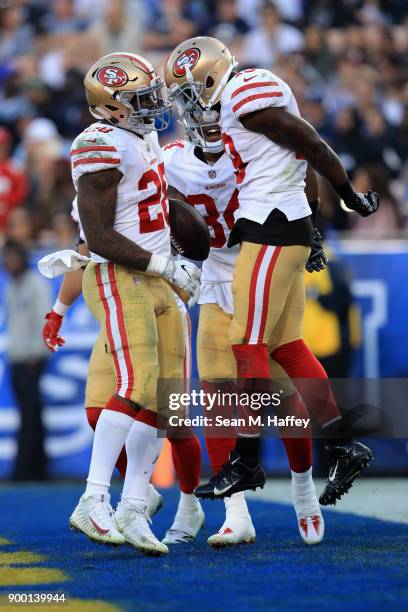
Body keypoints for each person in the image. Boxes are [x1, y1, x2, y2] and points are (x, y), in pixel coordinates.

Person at [164, 36, 378, 505]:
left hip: (272, 224)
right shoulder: (233, 107)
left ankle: (246, 459)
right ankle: (343, 444)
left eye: (189, 92)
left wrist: (348, 195)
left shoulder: (244, 95)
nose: (189, 107)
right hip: (277, 223)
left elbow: (311, 146)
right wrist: (316, 221)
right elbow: (298, 159)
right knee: (287, 345)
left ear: (210, 78)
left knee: (247, 343)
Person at [66, 51, 201, 555]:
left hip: (157, 276)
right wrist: (164, 265)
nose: (152, 105)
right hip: (122, 273)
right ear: (111, 107)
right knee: (137, 382)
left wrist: (176, 258)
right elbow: (99, 234)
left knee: (164, 400)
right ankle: (93, 498)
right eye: (140, 98)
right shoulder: (96, 143)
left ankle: (133, 504)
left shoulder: (140, 136)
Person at [162, 132, 324, 543]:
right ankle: (236, 513)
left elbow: (305, 175)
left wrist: (310, 226)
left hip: (269, 273)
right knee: (217, 395)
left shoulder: (258, 139)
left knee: (282, 394)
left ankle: (304, 492)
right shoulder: (173, 159)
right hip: (217, 279)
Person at [41, 199, 204, 547]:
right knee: (98, 410)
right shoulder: (94, 181)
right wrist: (58, 311)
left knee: (169, 417)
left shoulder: (150, 168)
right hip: (117, 299)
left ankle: (189, 506)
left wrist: (187, 263)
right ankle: (135, 494)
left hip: (159, 296)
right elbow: (84, 254)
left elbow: (192, 228)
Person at [3, 239, 52, 481]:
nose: (8, 262)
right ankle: (34, 468)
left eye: (12, 257)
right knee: (29, 413)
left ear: (22, 258)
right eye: (6, 258)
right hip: (17, 359)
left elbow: (45, 321)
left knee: (31, 414)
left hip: (32, 360)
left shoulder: (36, 285)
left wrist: (38, 354)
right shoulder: (12, 287)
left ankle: (28, 470)